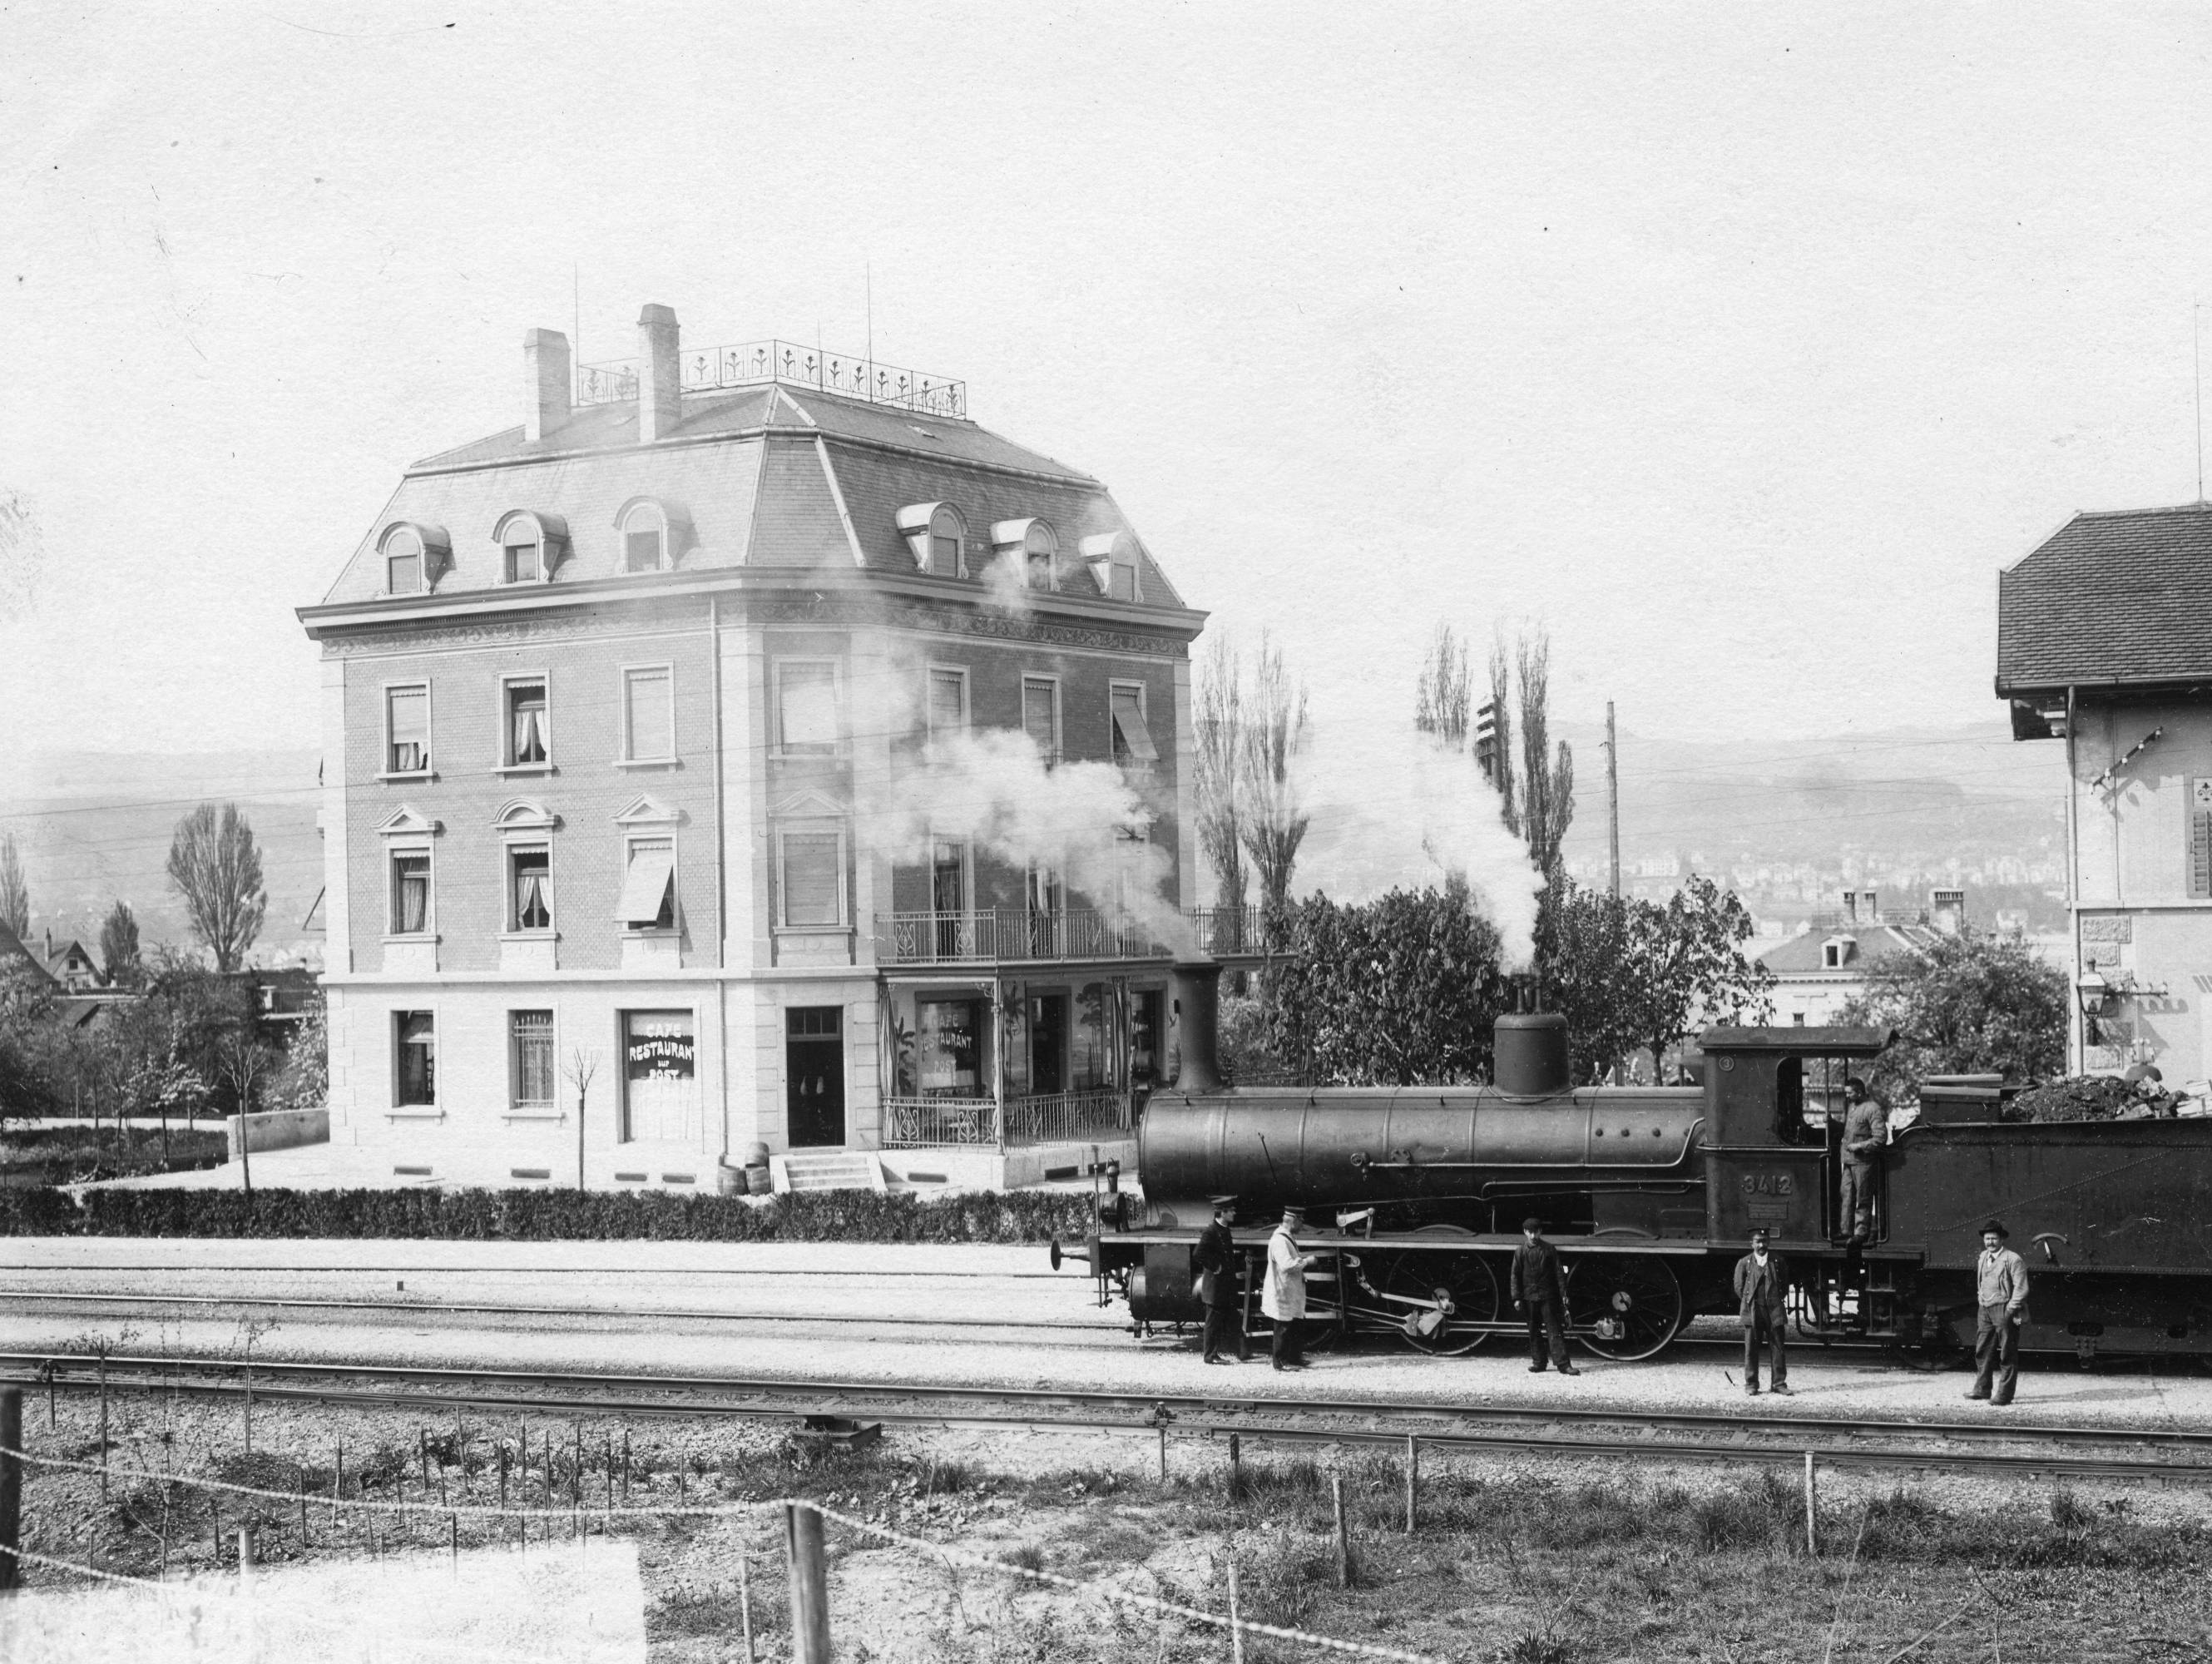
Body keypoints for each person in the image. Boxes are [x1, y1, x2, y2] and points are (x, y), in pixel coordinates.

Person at [1967, 1220, 2029, 1406]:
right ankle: (1982, 1389)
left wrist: (2010, 1309)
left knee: (2007, 1353)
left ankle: (2004, 1395)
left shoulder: (2013, 1259)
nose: (1990, 1242)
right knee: (1983, 1350)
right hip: (1985, 1308)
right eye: (1987, 1239)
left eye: (1994, 1238)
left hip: (2004, 1309)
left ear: (2002, 1239)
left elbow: (2021, 1288)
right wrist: (1981, 1299)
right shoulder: (1983, 1256)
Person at [1510, 1217, 1580, 1376]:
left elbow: (1559, 1273)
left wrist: (1563, 1294)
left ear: (1540, 1232)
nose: (1533, 1236)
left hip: (1548, 1296)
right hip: (1529, 1297)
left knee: (1554, 1330)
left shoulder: (1549, 1249)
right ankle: (1539, 1363)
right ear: (1525, 1232)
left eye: (1536, 1232)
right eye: (1530, 1232)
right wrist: (1516, 1298)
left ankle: (1564, 1365)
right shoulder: (1520, 1251)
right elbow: (1515, 1275)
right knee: (1533, 1331)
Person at [1733, 1226, 1792, 1396]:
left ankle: (1779, 1384)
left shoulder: (1778, 1262)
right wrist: (1752, 1302)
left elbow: (1784, 1286)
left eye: (1764, 1241)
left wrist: (1773, 1301)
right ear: (1751, 1243)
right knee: (1751, 1349)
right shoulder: (1744, 1263)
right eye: (1758, 1241)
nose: (1761, 1245)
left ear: (1769, 1242)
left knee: (1778, 1348)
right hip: (1753, 1311)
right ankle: (1751, 1384)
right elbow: (1739, 1287)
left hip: (1774, 1311)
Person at [1261, 1205, 1320, 1371]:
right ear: (1293, 1221)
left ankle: (1294, 1358)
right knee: (1283, 1327)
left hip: (1289, 1290)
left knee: (1293, 1324)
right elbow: (1287, 1265)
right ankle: (1280, 1362)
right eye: (1301, 1221)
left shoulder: (1287, 1237)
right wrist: (1307, 1261)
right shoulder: (1280, 1240)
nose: (1303, 1225)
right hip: (1282, 1290)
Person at [1193, 1195, 1244, 1364]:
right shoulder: (1211, 1231)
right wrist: (1215, 1266)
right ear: (1222, 1212)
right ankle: (1210, 1356)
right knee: (1213, 1322)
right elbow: (1198, 1253)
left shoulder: (1224, 1229)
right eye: (1231, 1211)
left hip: (1225, 1285)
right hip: (1215, 1286)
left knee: (1232, 1317)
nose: (1234, 1213)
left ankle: (1240, 1352)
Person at [1838, 1077, 1889, 1242]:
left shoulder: (1872, 1109)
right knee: (1846, 1196)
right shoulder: (1852, 1107)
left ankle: (1861, 1233)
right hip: (1848, 1161)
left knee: (1863, 1199)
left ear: (1859, 1092)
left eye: (1850, 1093)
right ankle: (1846, 1231)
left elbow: (1880, 1138)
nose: (1847, 1096)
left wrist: (1859, 1146)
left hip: (1864, 1163)